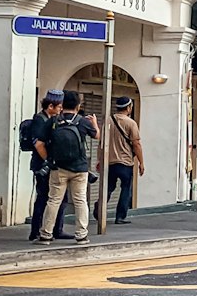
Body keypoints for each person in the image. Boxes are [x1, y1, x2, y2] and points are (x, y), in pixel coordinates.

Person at [36, 90, 98, 245]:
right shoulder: (82, 121)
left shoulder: (54, 121)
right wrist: (95, 124)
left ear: (62, 105)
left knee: (53, 200)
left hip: (58, 168)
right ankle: (81, 235)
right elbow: (97, 136)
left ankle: (45, 235)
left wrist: (49, 160)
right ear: (78, 106)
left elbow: (39, 144)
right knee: (80, 200)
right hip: (80, 168)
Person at [28, 91, 72, 242]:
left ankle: (55, 229)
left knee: (56, 198)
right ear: (51, 106)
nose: (61, 110)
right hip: (43, 166)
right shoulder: (40, 120)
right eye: (59, 106)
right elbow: (38, 143)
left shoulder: (52, 119)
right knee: (45, 197)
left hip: (50, 165)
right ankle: (38, 230)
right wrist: (48, 160)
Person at [106, 95, 144, 225]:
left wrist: (100, 159)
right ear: (128, 108)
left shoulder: (108, 121)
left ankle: (99, 208)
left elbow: (102, 141)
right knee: (126, 188)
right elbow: (136, 144)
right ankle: (120, 216)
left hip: (110, 161)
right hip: (125, 162)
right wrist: (141, 162)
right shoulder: (131, 123)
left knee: (108, 187)